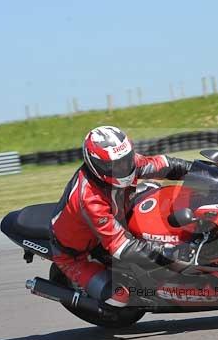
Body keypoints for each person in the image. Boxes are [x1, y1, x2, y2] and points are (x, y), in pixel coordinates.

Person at [49, 125, 194, 308]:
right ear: (95, 164)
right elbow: (120, 245)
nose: (123, 167)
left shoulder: (127, 163)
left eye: (126, 160)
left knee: (159, 195)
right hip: (76, 254)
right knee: (120, 297)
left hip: (117, 214)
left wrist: (201, 170)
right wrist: (165, 252)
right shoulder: (89, 198)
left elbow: (164, 165)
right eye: (115, 165)